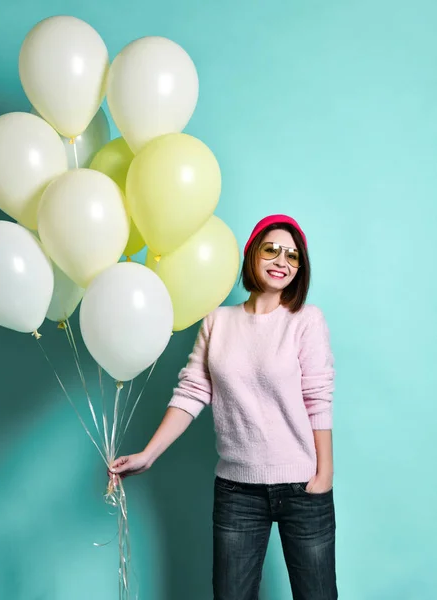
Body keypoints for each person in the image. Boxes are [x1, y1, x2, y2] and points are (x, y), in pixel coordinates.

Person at [109, 214, 337, 600]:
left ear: (300, 269)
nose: (282, 261)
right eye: (272, 250)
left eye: (293, 256)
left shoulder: (306, 320)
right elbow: (192, 392)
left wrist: (324, 473)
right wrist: (149, 454)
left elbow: (318, 398)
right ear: (252, 255)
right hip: (238, 491)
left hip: (303, 487)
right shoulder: (217, 322)